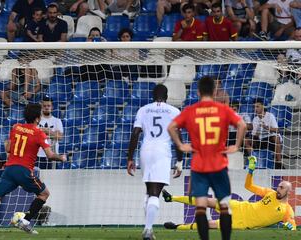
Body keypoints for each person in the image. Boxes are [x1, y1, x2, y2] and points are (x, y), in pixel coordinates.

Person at [0, 104, 66, 234]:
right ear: (38, 118)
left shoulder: (16, 127)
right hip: (24, 171)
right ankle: (24, 222)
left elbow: (8, 148)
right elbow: (49, 155)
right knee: (44, 194)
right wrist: (62, 158)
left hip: (9, 170)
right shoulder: (39, 133)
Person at [167, 76, 247, 240]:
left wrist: (181, 145)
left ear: (198, 91)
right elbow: (242, 125)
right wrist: (237, 146)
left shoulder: (191, 110)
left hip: (199, 166)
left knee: (201, 207)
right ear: (214, 91)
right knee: (224, 206)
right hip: (219, 165)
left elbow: (171, 127)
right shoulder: (223, 109)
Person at [162, 157, 297, 231]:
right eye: (279, 186)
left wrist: (290, 226)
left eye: (282, 187)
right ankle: (171, 198)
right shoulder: (270, 193)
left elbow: (293, 228)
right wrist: (250, 171)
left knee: (210, 224)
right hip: (239, 206)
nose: (278, 188)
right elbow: (248, 186)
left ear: (288, 192)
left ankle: (177, 227)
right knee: (207, 200)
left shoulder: (287, 211)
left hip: (242, 223)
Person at [127, 84, 182, 240]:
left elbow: (135, 133)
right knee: (155, 193)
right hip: (162, 152)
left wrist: (130, 158)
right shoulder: (174, 111)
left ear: (153, 96)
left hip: (145, 151)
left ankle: (148, 228)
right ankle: (148, 230)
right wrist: (180, 161)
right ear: (166, 96)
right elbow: (177, 137)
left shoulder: (143, 110)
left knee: (149, 190)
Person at [244, 99, 283, 169]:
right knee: (246, 140)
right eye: (254, 107)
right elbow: (254, 135)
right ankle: (252, 160)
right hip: (261, 140)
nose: (255, 109)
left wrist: (267, 128)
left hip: (270, 138)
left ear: (263, 107)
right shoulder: (255, 119)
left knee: (276, 138)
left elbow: (278, 130)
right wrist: (256, 133)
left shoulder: (270, 116)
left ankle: (279, 163)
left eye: (257, 107)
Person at [37, 96, 65, 169]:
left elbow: (60, 137)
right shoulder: (36, 120)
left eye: (48, 106)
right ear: (41, 107)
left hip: (53, 155)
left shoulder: (57, 121)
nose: (46, 107)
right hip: (37, 155)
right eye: (44, 106)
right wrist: (53, 134)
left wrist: (47, 131)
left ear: (52, 107)